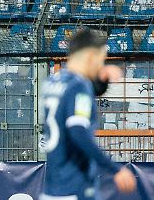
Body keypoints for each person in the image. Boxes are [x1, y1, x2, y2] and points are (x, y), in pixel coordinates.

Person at [39, 29, 137, 200]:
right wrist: (115, 169)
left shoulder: (53, 82)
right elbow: (78, 131)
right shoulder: (79, 86)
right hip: (75, 187)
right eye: (100, 60)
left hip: (54, 188)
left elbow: (76, 99)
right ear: (91, 56)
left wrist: (101, 79)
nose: (101, 65)